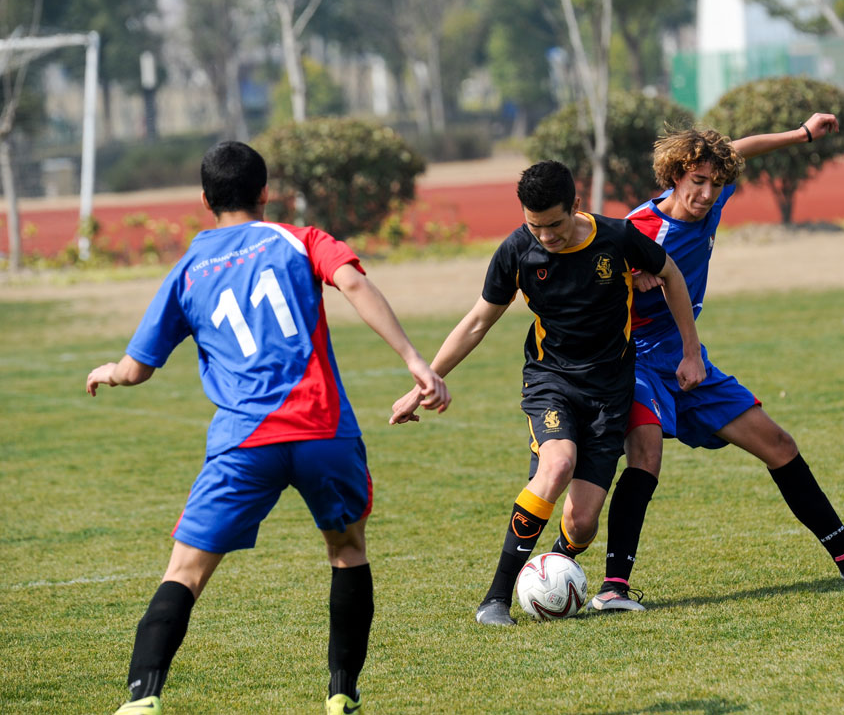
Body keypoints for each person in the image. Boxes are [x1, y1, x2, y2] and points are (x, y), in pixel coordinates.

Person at [86, 141, 449, 715]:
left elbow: (137, 369)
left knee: (184, 571)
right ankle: (340, 693)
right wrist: (415, 361)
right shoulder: (299, 239)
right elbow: (353, 283)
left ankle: (141, 699)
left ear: (205, 200)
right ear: (264, 193)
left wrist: (110, 371)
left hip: (243, 442)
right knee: (347, 550)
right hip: (322, 429)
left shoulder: (187, 269)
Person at [570, 116, 844, 612]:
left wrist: (802, 135)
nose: (708, 193)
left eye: (716, 183)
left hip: (689, 358)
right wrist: (632, 278)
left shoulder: (711, 192)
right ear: (675, 176)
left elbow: (740, 149)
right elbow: (590, 283)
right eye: (698, 182)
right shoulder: (639, 229)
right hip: (638, 363)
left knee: (778, 444)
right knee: (646, 452)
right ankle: (613, 589)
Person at [388, 160, 705, 626]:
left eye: (554, 225)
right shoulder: (518, 252)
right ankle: (495, 599)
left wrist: (691, 351)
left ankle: (554, 570)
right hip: (551, 381)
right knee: (557, 464)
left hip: (610, 391)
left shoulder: (616, 238)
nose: (546, 236)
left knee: (581, 523)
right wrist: (426, 381)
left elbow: (672, 274)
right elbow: (477, 322)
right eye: (534, 225)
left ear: (575, 206)